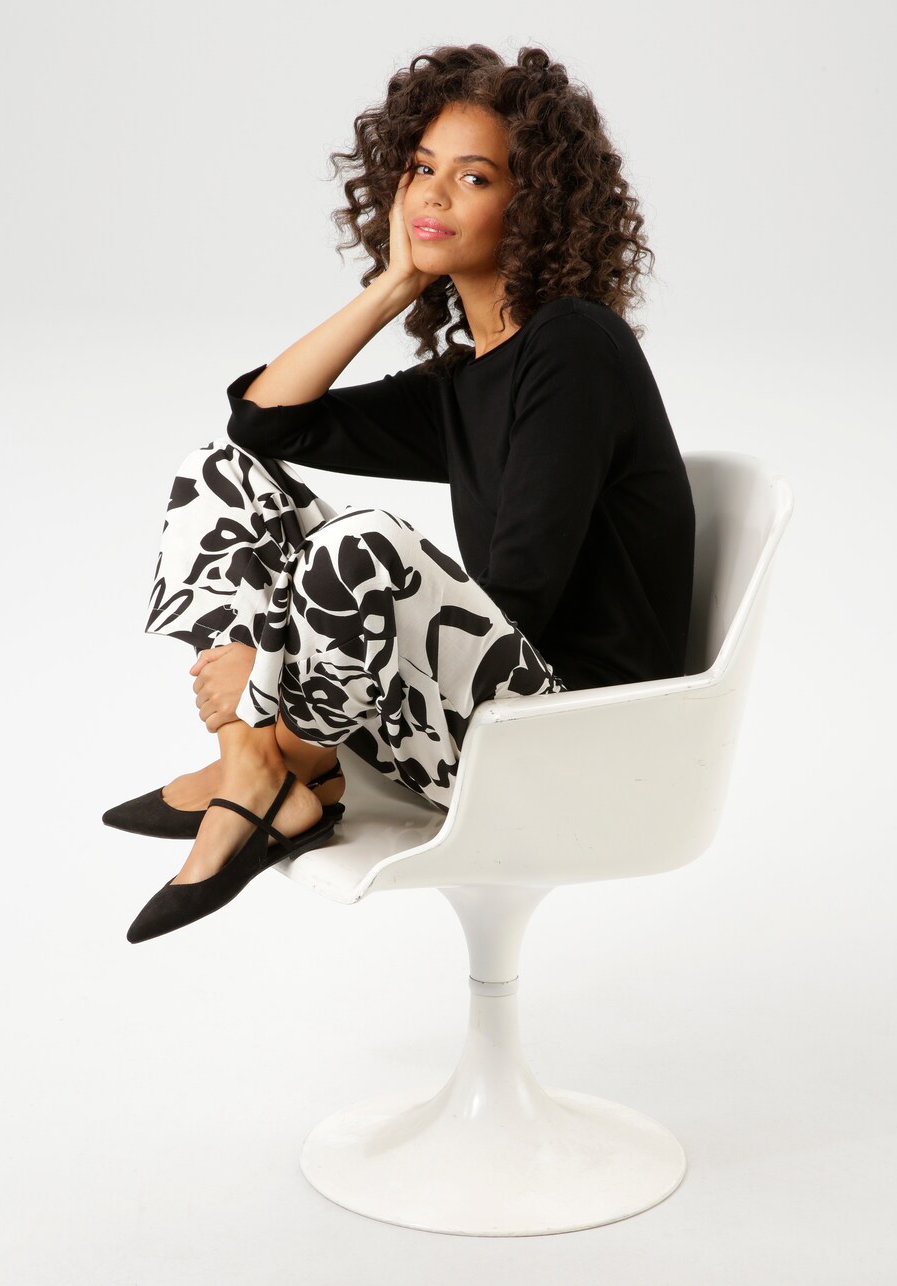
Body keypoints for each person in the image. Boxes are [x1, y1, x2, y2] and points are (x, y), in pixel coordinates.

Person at [105, 43, 695, 944]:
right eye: (422, 169)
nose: (433, 195)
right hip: (470, 729)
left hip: (571, 744)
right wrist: (391, 287)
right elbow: (262, 425)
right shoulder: (466, 381)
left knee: (362, 546)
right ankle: (258, 769)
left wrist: (269, 674)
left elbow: (520, 598)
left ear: (534, 205)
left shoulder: (575, 347)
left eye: (474, 177)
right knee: (221, 476)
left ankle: (274, 760)